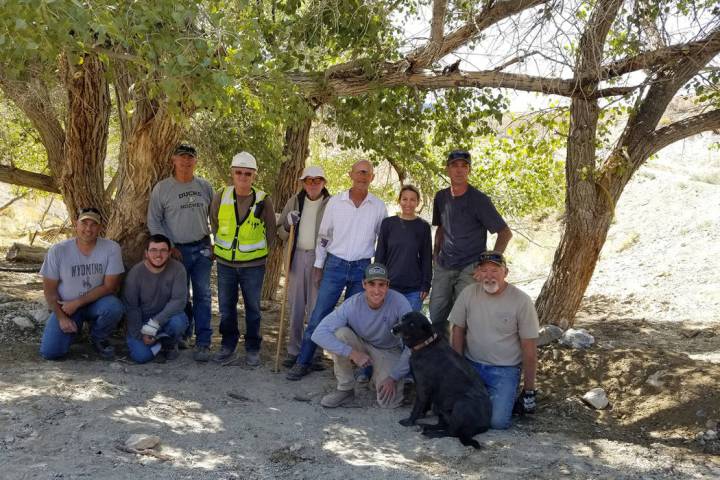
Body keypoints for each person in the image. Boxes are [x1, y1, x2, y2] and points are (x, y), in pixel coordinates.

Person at [286, 160, 387, 381]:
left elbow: (383, 240)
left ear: (372, 177)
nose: (362, 176)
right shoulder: (336, 202)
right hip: (335, 264)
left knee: (357, 320)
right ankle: (303, 361)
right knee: (319, 315)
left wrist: (376, 274)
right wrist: (319, 265)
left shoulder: (378, 207)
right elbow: (324, 235)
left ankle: (361, 367)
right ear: (350, 174)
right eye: (359, 172)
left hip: (362, 267)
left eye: (366, 173)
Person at [448, 251, 538, 430]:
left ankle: (505, 399)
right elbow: (457, 329)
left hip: (505, 370)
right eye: (484, 270)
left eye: (495, 271)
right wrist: (458, 366)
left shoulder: (521, 301)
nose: (489, 276)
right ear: (478, 273)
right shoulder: (468, 293)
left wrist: (529, 391)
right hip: (472, 365)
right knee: (447, 409)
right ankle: (490, 398)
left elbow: (529, 347)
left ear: (506, 272)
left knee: (497, 422)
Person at [430, 149, 513, 336]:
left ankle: (462, 358)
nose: (459, 170)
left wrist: (489, 263)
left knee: (462, 316)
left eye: (463, 166)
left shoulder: (479, 200)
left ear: (469, 170)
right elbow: (441, 227)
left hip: (470, 266)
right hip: (444, 264)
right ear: (447, 170)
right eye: (454, 166)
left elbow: (505, 233)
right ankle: (438, 354)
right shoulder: (441, 197)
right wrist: (435, 253)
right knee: (436, 313)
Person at [147, 144, 214, 362]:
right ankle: (183, 334)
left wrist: (215, 243)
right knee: (180, 296)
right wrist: (168, 246)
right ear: (173, 160)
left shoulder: (205, 187)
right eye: (182, 158)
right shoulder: (163, 188)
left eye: (190, 158)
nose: (186, 162)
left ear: (196, 162)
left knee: (203, 295)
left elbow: (216, 217)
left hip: (202, 247)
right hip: (177, 250)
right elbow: (154, 220)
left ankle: (203, 342)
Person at [311, 263, 412, 408]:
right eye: (371, 284)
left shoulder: (400, 302)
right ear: (364, 284)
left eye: (381, 284)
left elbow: (413, 344)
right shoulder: (352, 304)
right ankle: (345, 389)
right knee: (341, 334)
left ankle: (377, 378)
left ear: (387, 285)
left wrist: (393, 376)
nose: (376, 290)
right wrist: (352, 353)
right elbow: (318, 334)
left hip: (388, 349)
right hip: (361, 345)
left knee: (388, 403)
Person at [210, 151, 276, 366]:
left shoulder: (263, 200)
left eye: (248, 173)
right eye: (239, 172)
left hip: (253, 266)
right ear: (232, 173)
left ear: (254, 175)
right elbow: (215, 223)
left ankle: (252, 347)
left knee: (253, 308)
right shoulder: (221, 195)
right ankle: (228, 345)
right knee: (226, 307)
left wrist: (257, 252)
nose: (243, 177)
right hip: (225, 263)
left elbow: (271, 232)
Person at [39, 208, 125, 360]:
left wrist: (77, 302)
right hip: (66, 307)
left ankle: (98, 337)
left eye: (94, 224)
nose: (88, 229)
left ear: (100, 228)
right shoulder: (58, 251)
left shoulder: (111, 248)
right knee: (51, 352)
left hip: (96, 303)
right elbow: (49, 291)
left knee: (114, 306)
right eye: (84, 223)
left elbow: (110, 286)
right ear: (76, 225)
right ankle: (74, 329)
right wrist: (61, 318)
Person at [277, 166, 331, 367]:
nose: (313, 184)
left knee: (316, 308)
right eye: (309, 180)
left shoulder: (331, 204)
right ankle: (294, 351)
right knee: (296, 307)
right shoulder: (294, 201)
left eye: (318, 180)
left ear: (324, 183)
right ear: (303, 183)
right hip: (297, 257)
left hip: (321, 259)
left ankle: (314, 352)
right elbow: (281, 232)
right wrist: (288, 224)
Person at [123, 234, 189, 363]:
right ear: (146, 253)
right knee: (141, 356)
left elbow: (179, 301)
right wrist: (141, 333)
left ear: (169, 253)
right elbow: (131, 307)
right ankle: (159, 345)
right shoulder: (136, 273)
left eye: (163, 250)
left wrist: (155, 323)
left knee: (178, 322)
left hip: (166, 319)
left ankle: (169, 344)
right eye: (153, 250)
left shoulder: (178, 269)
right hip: (142, 322)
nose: (158, 255)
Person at [375, 184, 432, 311]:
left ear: (418, 202)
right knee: (387, 326)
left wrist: (426, 285)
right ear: (399, 200)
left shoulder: (423, 226)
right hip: (389, 286)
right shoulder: (388, 224)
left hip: (414, 289)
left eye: (413, 199)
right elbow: (380, 255)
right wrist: (378, 282)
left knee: (410, 328)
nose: (408, 203)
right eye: (405, 199)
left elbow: (426, 258)